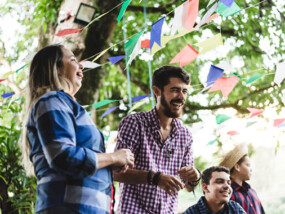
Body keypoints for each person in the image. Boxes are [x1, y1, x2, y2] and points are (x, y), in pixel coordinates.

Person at [20, 45, 134, 214]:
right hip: (69, 207)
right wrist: (112, 157)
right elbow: (62, 156)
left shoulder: (65, 104)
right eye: (73, 60)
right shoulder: (52, 100)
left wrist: (108, 164)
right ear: (56, 68)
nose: (81, 65)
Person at [114, 66, 200, 213]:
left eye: (184, 91)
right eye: (175, 90)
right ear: (157, 91)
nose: (181, 97)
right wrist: (154, 178)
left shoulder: (185, 135)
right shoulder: (134, 123)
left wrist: (195, 177)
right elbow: (116, 172)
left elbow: (188, 186)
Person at [219, 144, 265, 214]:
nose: (251, 169)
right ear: (237, 167)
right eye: (248, 165)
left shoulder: (252, 192)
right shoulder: (227, 194)